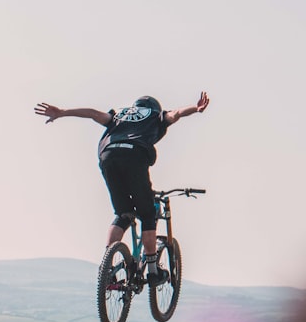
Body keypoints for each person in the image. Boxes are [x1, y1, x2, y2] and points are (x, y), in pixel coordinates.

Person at [34, 92, 210, 285]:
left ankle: (107, 265)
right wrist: (195, 108)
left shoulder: (119, 114)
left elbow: (93, 113)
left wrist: (62, 112)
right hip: (134, 156)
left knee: (123, 214)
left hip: (108, 157)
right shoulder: (156, 115)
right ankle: (152, 272)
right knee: (147, 214)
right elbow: (175, 113)